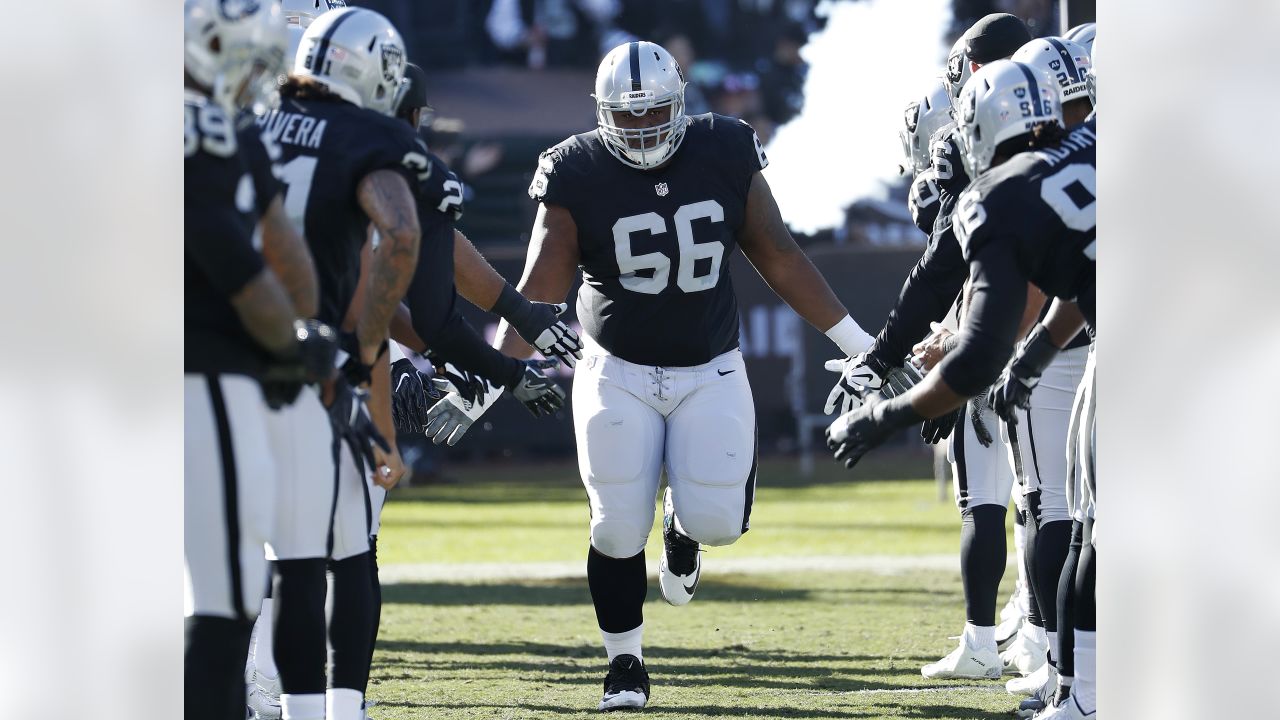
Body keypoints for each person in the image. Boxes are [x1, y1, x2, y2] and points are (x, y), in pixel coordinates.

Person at [494, 40, 878, 711]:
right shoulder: (575, 168)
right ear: (603, 112)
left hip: (710, 366)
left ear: (680, 104)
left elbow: (780, 255)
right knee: (614, 525)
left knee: (718, 520)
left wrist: (858, 342)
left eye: (654, 113)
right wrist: (490, 371)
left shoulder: (725, 148)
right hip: (615, 369)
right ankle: (625, 666)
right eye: (626, 115)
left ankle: (684, 529)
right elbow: (539, 286)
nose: (641, 128)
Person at [826, 58, 1096, 718]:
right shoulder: (1095, 143)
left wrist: (884, 416)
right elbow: (1088, 278)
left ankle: (1085, 695)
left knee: (1094, 531)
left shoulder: (998, 198)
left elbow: (976, 359)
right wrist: (1033, 360)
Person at [824, 12, 1033, 682]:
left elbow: (951, 263)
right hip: (1037, 326)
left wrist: (925, 356)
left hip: (1013, 333)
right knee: (1047, 496)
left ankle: (1020, 639)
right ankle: (1042, 623)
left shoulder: (968, 151)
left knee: (1014, 496)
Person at [249, 8, 426, 720]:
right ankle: (337, 711)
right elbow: (399, 238)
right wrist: (369, 378)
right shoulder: (368, 138)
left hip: (225, 368)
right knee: (348, 548)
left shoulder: (245, 121)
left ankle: (260, 697)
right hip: (317, 368)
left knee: (262, 559)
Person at [184, 2, 338, 718]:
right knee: (222, 597)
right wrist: (294, 343)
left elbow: (281, 249)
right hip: (199, 371)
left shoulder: (234, 124)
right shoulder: (201, 126)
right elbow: (245, 262)